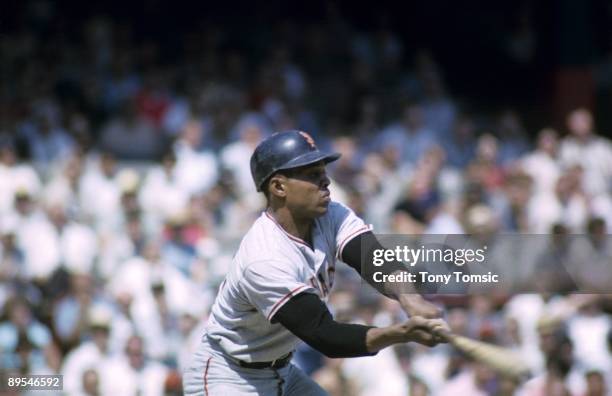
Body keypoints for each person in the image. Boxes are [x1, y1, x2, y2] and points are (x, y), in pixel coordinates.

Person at [183, 130, 448, 395]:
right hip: (228, 375)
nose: (326, 181)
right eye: (312, 174)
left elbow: (373, 258)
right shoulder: (264, 257)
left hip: (282, 370)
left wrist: (410, 299)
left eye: (323, 171)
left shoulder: (330, 213)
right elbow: (325, 336)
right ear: (278, 187)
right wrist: (402, 332)